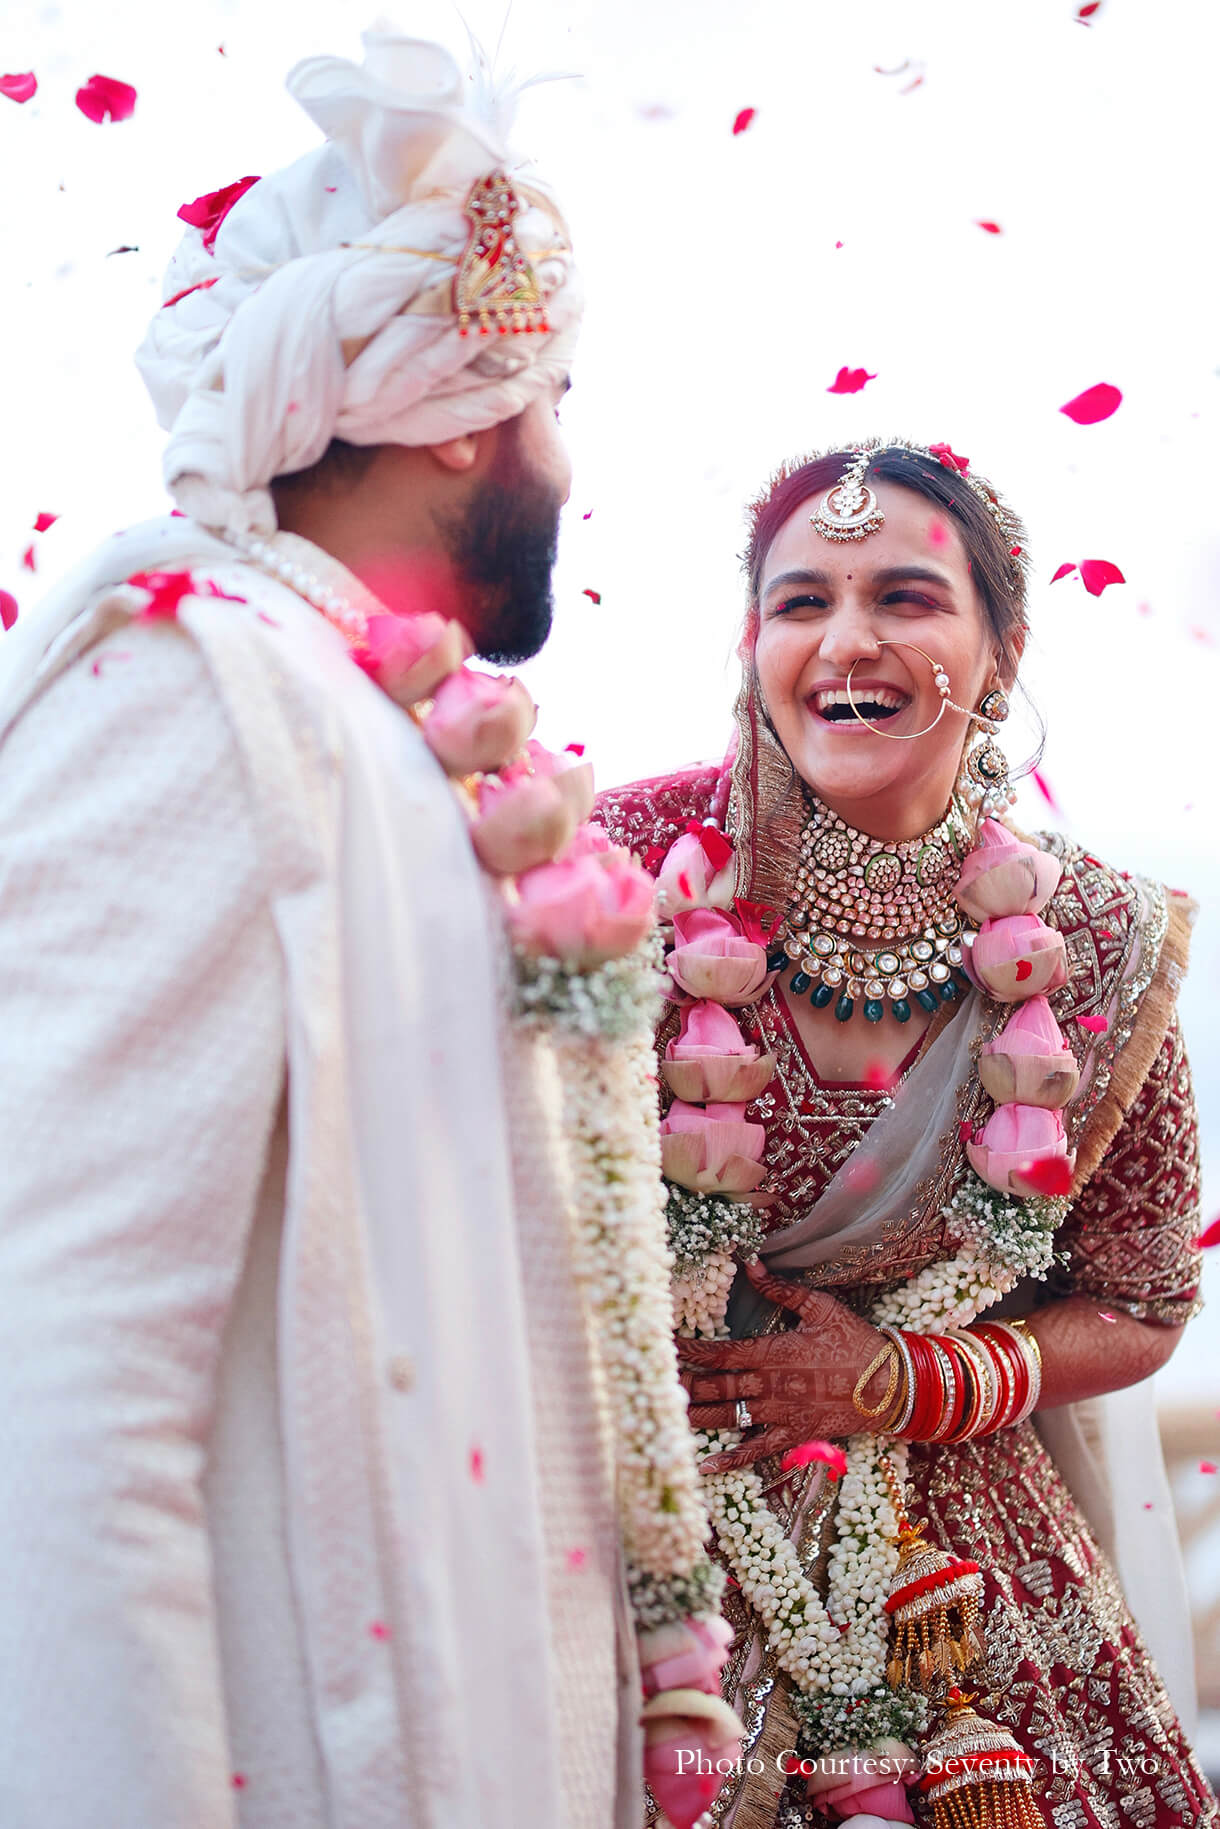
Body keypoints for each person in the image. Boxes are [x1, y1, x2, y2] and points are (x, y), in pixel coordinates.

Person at [0, 26, 676, 1829]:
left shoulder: (381, 733)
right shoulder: (179, 691)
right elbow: (62, 1403)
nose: (560, 453)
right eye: (552, 399)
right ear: (462, 414)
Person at [594, 441, 1219, 1828]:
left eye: (906, 596)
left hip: (961, 1583)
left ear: (1001, 650)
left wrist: (898, 1382)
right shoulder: (622, 867)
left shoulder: (1098, 941)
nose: (846, 639)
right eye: (801, 599)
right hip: (641, 1542)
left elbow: (1143, 1297)